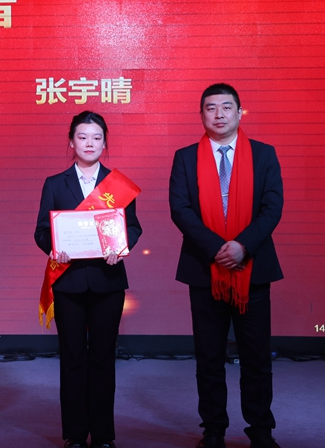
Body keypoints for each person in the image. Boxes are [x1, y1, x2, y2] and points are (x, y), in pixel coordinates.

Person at [169, 83, 283, 448]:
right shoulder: (185, 157)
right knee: (209, 358)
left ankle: (261, 431)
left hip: (253, 269)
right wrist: (218, 248)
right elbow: (181, 210)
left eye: (226, 107)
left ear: (239, 112)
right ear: (201, 115)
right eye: (211, 108)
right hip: (205, 269)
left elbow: (272, 208)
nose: (219, 114)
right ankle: (213, 430)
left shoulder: (264, 155)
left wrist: (243, 246)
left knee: (256, 356)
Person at [34, 111, 142, 448]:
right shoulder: (55, 183)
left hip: (108, 281)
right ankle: (76, 434)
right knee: (73, 357)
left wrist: (120, 247)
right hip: (68, 282)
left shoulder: (118, 184)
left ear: (105, 143)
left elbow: (133, 227)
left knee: (103, 357)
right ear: (71, 141)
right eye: (82, 137)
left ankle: (104, 435)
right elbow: (41, 231)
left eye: (96, 138)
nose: (90, 143)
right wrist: (56, 248)